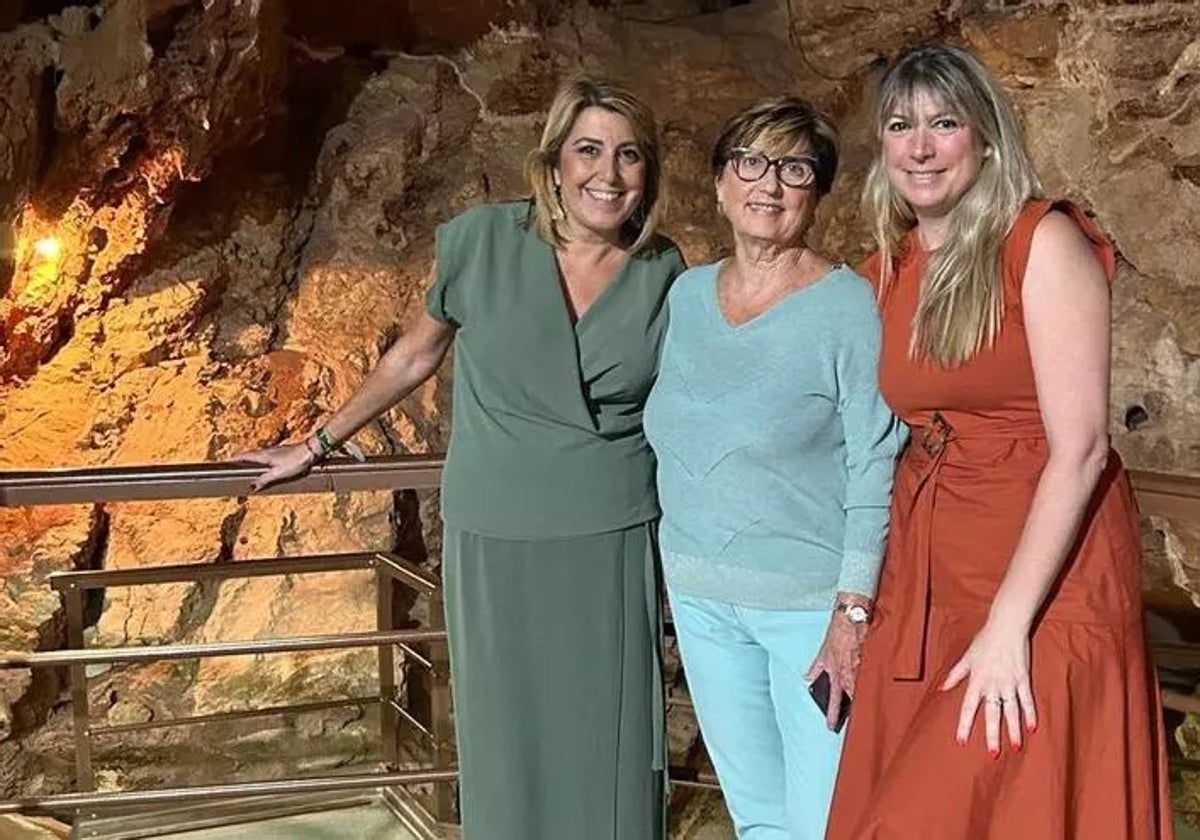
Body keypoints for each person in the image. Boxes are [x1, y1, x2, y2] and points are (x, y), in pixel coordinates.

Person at [237, 75, 686, 840]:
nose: (607, 174)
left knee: (606, 732)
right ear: (552, 163)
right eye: (588, 150)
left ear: (647, 174)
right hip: (496, 531)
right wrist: (316, 443)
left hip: (607, 533)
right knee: (505, 729)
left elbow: (690, 404)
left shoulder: (665, 270)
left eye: (628, 155)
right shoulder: (482, 240)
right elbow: (413, 358)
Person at [825, 44, 1174, 839]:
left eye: (945, 124)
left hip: (1047, 584)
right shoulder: (887, 269)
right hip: (932, 577)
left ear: (984, 137)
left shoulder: (1039, 243)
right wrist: (852, 608)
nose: (920, 146)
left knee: (962, 811)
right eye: (901, 125)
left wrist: (1009, 626)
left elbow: (1081, 446)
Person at [643, 97, 904, 840]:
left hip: (808, 611)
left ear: (818, 193)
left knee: (825, 819)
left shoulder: (848, 307)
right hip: (698, 600)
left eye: (795, 168)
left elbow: (873, 460)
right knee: (755, 818)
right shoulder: (687, 296)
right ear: (722, 184)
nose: (770, 184)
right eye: (750, 163)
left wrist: (852, 614)